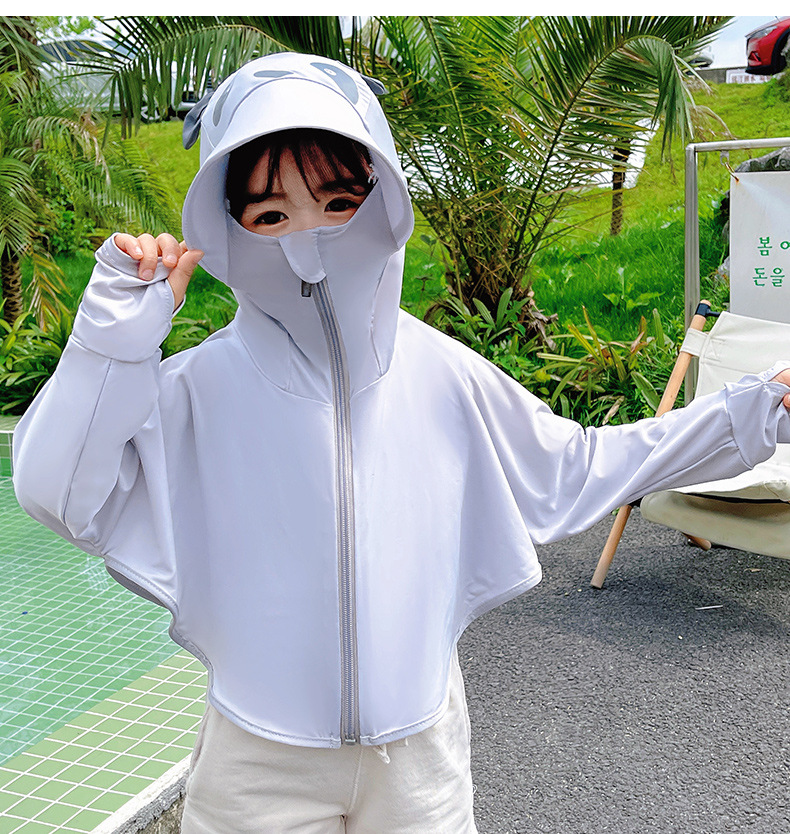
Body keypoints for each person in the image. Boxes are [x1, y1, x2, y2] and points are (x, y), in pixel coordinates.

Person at [12, 52, 790, 833]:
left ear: (384, 200)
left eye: (338, 202)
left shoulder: (441, 372)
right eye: (271, 216)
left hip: (420, 759)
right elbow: (56, 493)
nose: (308, 240)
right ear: (226, 230)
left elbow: (582, 465)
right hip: (256, 758)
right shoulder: (193, 389)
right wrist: (110, 343)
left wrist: (758, 410)